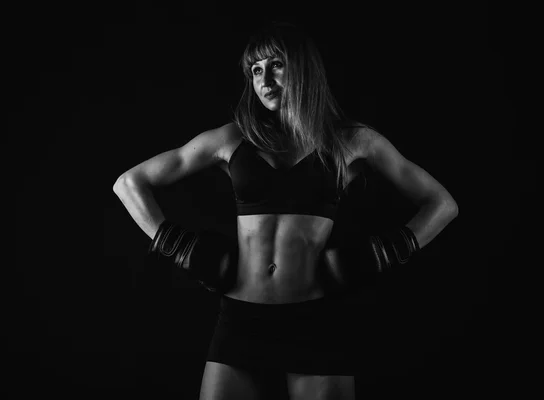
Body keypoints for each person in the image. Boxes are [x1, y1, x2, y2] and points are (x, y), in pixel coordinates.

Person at [113, 20, 458, 400]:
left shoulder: (351, 141)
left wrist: (386, 253)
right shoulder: (232, 139)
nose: (265, 80)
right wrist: (179, 247)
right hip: (240, 321)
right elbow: (129, 183)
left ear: (303, 68)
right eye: (256, 70)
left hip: (316, 322)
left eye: (276, 65)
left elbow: (442, 205)